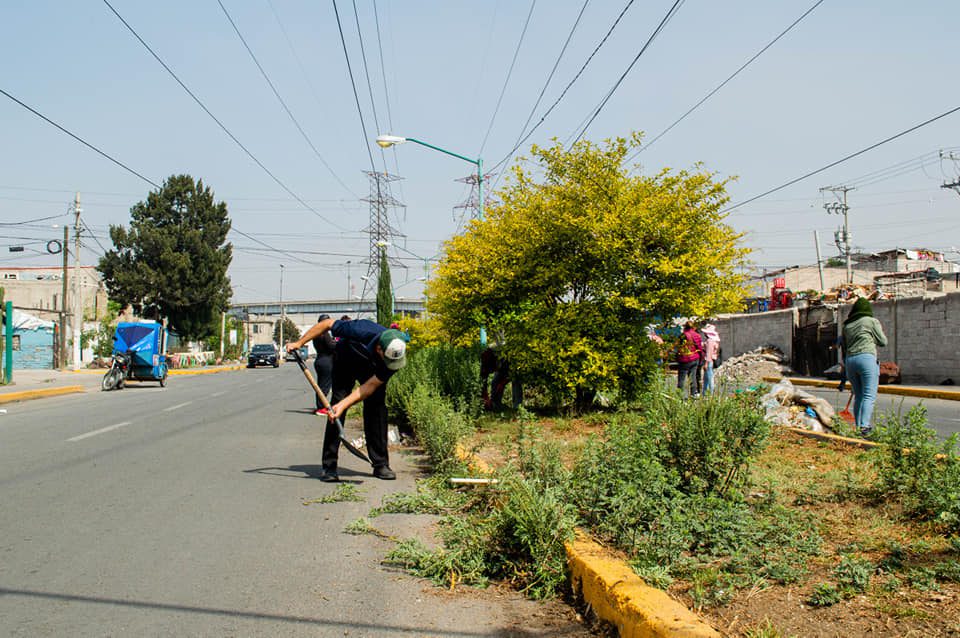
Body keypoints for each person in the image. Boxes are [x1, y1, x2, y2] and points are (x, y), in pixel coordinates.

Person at [287, 316, 408, 482]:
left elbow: (370, 386)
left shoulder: (393, 358)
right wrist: (299, 343)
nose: (389, 363)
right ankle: (329, 466)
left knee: (377, 408)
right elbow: (326, 324)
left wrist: (346, 404)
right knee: (336, 408)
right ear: (379, 348)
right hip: (346, 360)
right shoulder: (362, 329)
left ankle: (380, 464)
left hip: (371, 370)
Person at [841, 297, 888, 436]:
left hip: (850, 361)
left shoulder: (847, 326)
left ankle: (858, 426)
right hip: (866, 359)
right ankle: (864, 427)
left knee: (859, 395)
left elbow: (844, 345)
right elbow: (883, 341)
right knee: (869, 395)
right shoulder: (871, 321)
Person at [311, 314, 337, 416]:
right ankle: (321, 408)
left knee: (321, 385)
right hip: (326, 361)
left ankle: (319, 406)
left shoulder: (315, 334)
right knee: (325, 386)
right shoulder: (324, 333)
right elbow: (331, 346)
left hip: (319, 360)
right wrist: (337, 343)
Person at [676, 321, 703, 397]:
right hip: (695, 358)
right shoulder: (697, 335)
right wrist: (701, 358)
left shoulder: (682, 335)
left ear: (685, 327)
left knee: (681, 378)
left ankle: (679, 396)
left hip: (684, 359)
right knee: (693, 377)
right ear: (693, 327)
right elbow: (699, 348)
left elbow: (678, 348)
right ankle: (694, 394)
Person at [701, 323, 720, 394]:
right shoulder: (714, 340)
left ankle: (711, 393)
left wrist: (706, 363)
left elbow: (708, 353)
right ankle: (704, 393)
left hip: (709, 361)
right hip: (711, 360)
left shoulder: (710, 341)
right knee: (706, 378)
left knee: (710, 378)